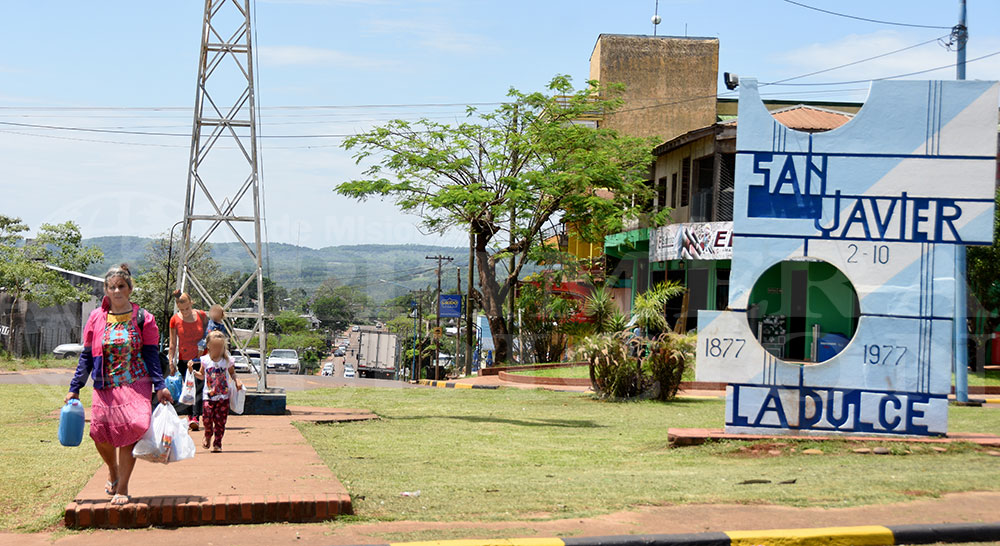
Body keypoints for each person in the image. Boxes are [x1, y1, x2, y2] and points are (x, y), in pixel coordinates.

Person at [66, 264, 171, 506]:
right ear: (106, 290)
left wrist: (160, 385)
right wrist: (75, 387)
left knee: (131, 429)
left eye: (121, 286)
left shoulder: (144, 318)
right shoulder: (96, 317)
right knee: (99, 434)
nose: (116, 291)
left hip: (136, 383)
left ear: (130, 289)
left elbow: (152, 354)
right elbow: (86, 356)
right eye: (111, 287)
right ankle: (113, 470)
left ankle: (123, 487)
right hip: (105, 385)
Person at [194, 331, 241, 452]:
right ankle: (208, 434)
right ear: (208, 346)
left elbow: (232, 373)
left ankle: (218, 443)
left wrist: (237, 381)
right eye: (215, 346)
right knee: (207, 418)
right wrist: (192, 372)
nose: (217, 349)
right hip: (208, 395)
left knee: (220, 422)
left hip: (223, 397)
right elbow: (201, 375)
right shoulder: (205, 360)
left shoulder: (227, 361)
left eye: (220, 347)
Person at [168, 290, 208, 431]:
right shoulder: (174, 320)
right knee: (189, 387)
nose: (185, 312)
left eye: (187, 308)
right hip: (185, 359)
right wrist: (171, 361)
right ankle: (191, 416)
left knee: (198, 387)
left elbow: (209, 333)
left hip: (200, 358)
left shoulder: (201, 315)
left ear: (192, 303)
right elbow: (173, 343)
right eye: (181, 309)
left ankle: (195, 417)